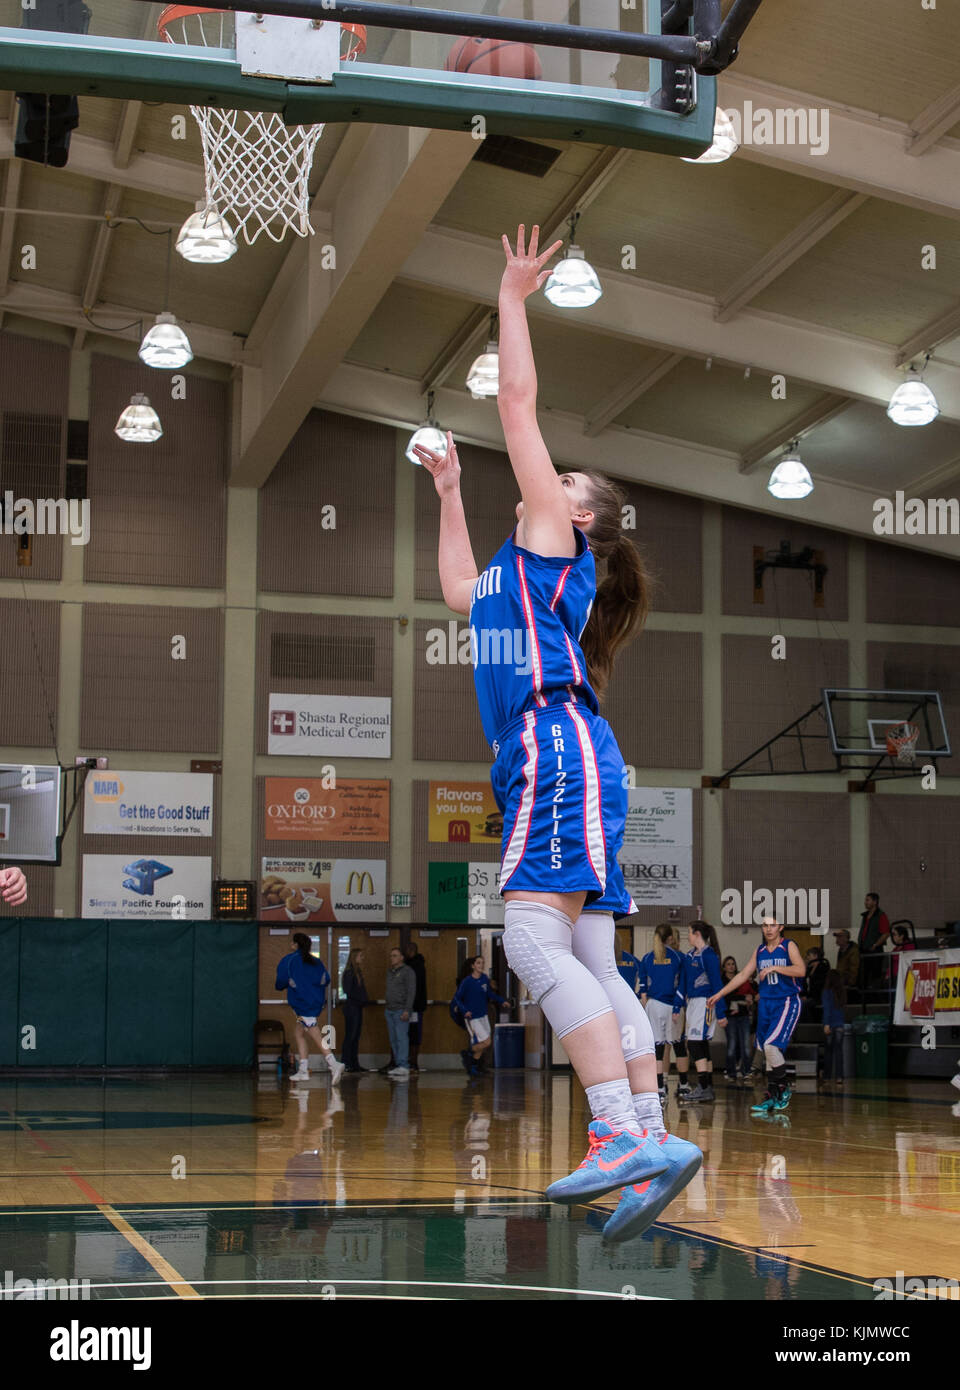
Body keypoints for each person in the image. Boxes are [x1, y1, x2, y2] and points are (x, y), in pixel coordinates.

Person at [414, 223, 701, 1244]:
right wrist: (448, 492)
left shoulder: (553, 537)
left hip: (556, 746)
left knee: (531, 936)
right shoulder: (515, 564)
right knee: (589, 951)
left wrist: (512, 297)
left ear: (580, 518)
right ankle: (651, 1137)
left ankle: (617, 1132)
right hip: (573, 752)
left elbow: (519, 404)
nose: (554, 478)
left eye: (569, 481)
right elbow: (456, 588)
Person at [709, 918, 805, 1115]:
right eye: (765, 925)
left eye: (773, 925)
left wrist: (775, 968)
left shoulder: (788, 946)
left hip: (786, 1001)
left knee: (770, 1046)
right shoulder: (760, 951)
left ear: (780, 927)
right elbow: (743, 974)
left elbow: (801, 969)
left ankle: (784, 1087)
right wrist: (720, 994)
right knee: (766, 1051)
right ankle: (771, 1097)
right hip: (766, 1004)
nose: (768, 929)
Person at [275, 933, 345, 1085]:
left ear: (295, 945)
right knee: (299, 1033)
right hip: (315, 1002)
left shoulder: (289, 960)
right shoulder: (316, 961)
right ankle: (303, 1070)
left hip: (301, 1003)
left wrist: (292, 984)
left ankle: (333, 1063)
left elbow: (280, 982)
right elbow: (326, 979)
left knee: (314, 1033)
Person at [676, 922, 726, 1103]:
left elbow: (717, 985)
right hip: (692, 1004)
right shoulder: (689, 956)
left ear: (697, 934)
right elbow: (683, 982)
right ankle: (708, 1087)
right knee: (700, 1044)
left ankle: (704, 1087)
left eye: (689, 933)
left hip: (706, 1003)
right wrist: (677, 1006)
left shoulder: (709, 955)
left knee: (696, 1045)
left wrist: (721, 1012)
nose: (687, 936)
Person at [639, 924, 685, 1102]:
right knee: (678, 1045)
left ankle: (659, 1087)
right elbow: (682, 984)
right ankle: (683, 1084)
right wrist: (677, 1006)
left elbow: (643, 986)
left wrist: (646, 1005)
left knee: (657, 1048)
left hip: (653, 1005)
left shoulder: (647, 958)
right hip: (672, 1005)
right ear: (671, 938)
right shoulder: (678, 957)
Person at [453, 955, 507, 1075]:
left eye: (482, 963)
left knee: (484, 1042)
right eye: (478, 963)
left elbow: (489, 994)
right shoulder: (467, 981)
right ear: (472, 966)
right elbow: (457, 997)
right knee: (486, 1041)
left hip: (483, 1014)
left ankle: (474, 1066)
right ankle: (467, 1053)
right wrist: (464, 1010)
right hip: (472, 1017)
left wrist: (502, 1001)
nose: (481, 965)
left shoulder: (484, 979)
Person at [720, 955, 754, 1084]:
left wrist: (745, 997)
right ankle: (731, 1072)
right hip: (729, 1016)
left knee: (746, 1045)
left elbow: (750, 993)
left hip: (743, 1015)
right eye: (728, 964)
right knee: (732, 1045)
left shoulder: (741, 978)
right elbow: (725, 996)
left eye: (733, 964)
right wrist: (742, 998)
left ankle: (746, 1072)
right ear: (724, 967)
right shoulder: (722, 980)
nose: (731, 966)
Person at [384, 946, 416, 1079]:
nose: (392, 958)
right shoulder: (389, 972)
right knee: (393, 1038)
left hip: (401, 1010)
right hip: (389, 1009)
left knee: (401, 1037)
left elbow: (411, 991)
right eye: (391, 955)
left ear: (402, 957)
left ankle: (404, 1065)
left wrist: (407, 1009)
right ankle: (398, 1064)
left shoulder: (408, 972)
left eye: (395, 955)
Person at [339, 948, 368, 1073]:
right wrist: (361, 998)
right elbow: (348, 990)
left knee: (356, 1036)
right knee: (351, 1035)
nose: (363, 958)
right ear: (355, 957)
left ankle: (354, 1063)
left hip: (357, 1007)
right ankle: (346, 1063)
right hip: (352, 1007)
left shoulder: (357, 972)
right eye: (361, 956)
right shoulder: (349, 973)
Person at [404, 941, 428, 1073]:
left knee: (410, 1035)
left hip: (414, 1007)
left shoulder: (411, 967)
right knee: (413, 1035)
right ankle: (412, 1062)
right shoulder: (420, 965)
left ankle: (412, 1062)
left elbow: (412, 988)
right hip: (418, 1006)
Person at [820, 968, 846, 1090]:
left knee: (828, 1052)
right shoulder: (841, 992)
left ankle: (827, 1076)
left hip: (830, 1023)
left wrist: (826, 1024)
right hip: (840, 1024)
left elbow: (827, 1009)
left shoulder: (827, 992)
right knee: (839, 1052)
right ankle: (839, 1076)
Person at [833, 928, 860, 995]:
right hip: (842, 980)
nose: (837, 939)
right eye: (837, 937)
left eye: (840, 937)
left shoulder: (854, 950)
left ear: (846, 938)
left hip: (847, 982)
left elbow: (854, 969)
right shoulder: (841, 950)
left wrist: (850, 984)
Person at [803, 947, 829, 1013]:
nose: (807, 957)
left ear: (815, 956)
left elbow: (817, 987)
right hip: (810, 997)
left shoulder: (823, 968)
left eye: (809, 955)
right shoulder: (809, 969)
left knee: (802, 1005)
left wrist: (807, 996)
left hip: (818, 997)